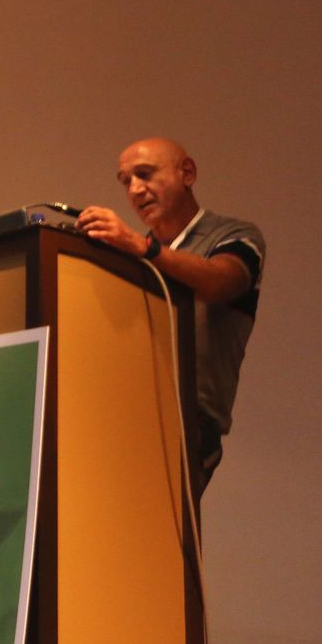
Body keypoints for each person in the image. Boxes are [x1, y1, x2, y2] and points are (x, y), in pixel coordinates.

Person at [77, 137, 264, 495]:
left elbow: (219, 283)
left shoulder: (235, 235)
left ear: (187, 173)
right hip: (122, 423)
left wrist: (143, 248)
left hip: (188, 429)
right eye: (125, 181)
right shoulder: (130, 254)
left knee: (161, 545)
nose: (134, 190)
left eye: (144, 174)